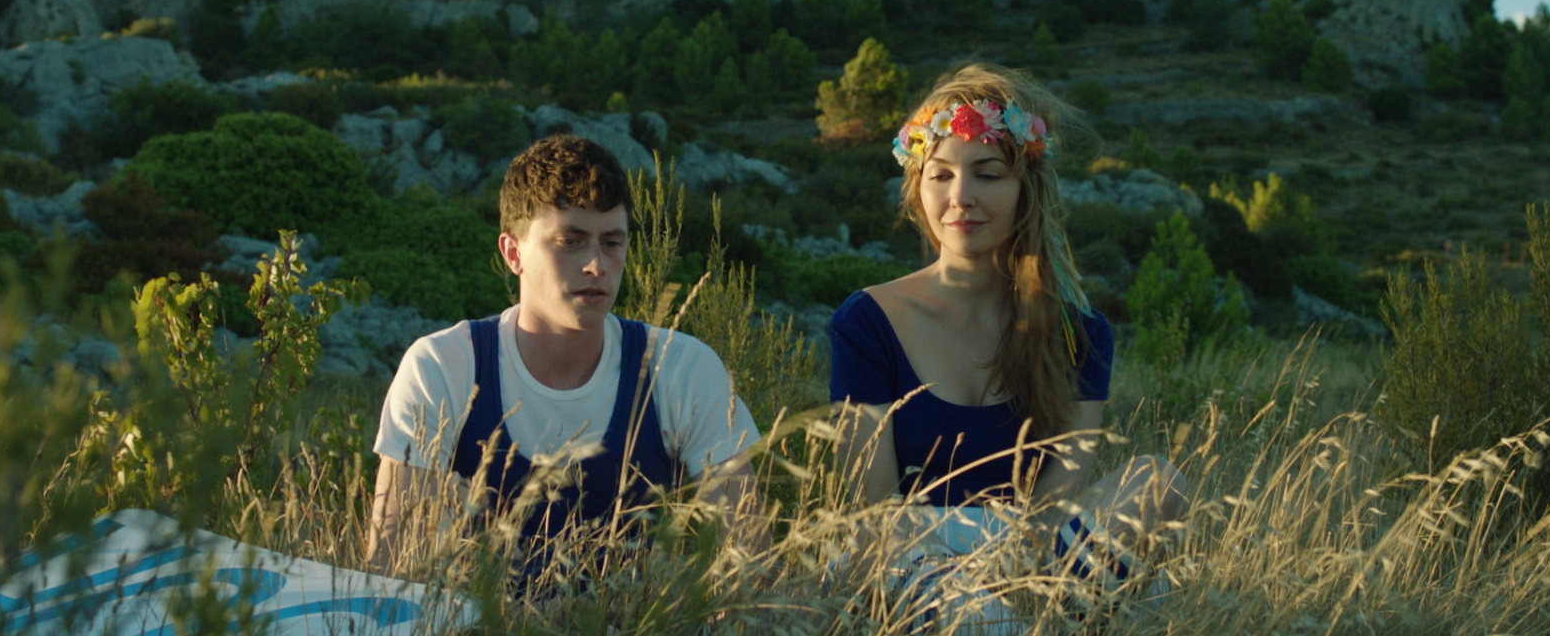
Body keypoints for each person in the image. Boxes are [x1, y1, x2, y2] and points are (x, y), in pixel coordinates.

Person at [829, 64, 1187, 617]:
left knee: (1160, 481)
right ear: (918, 187)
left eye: (988, 175)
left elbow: (1057, 500)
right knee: (973, 613)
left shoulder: (1078, 331)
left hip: (1029, 559)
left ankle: (1023, 617)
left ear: (1026, 189)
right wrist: (960, 590)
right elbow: (873, 510)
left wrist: (1008, 579)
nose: (960, 197)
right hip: (909, 561)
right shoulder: (868, 321)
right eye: (940, 175)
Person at [366, 134, 763, 579]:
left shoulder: (680, 368)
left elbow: (750, 564)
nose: (596, 265)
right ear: (513, 253)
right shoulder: (443, 366)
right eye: (570, 241)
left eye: (612, 243)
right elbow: (387, 572)